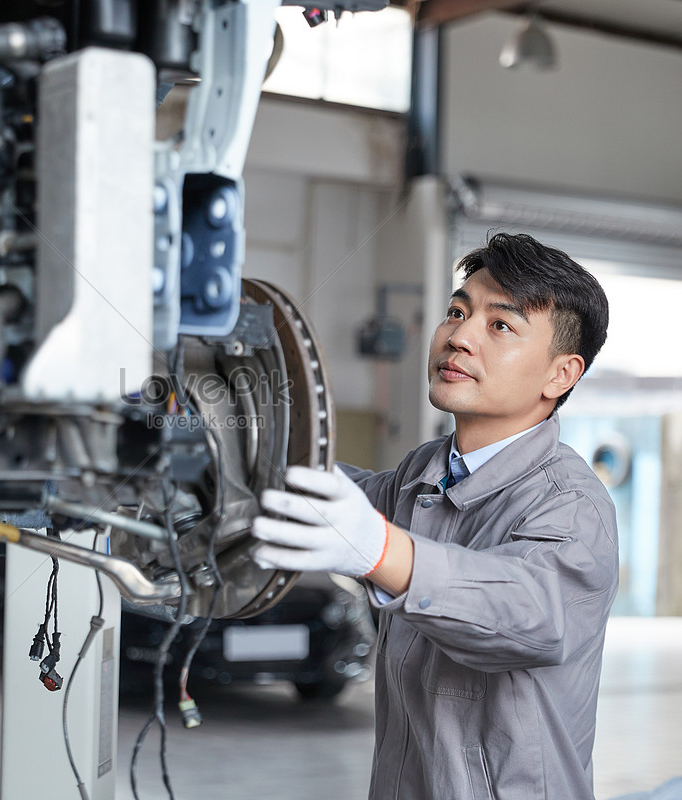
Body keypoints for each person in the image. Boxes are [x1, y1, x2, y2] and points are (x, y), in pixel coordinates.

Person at [252, 232, 618, 800]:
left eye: (500, 325)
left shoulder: (571, 505)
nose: (459, 336)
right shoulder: (425, 471)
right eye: (456, 311)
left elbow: (529, 612)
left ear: (561, 375)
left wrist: (381, 551)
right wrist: (244, 453)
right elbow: (340, 496)